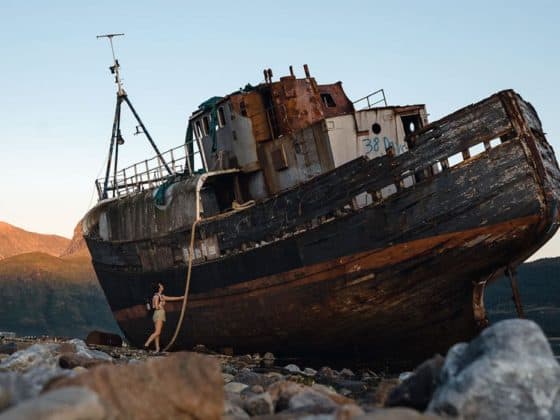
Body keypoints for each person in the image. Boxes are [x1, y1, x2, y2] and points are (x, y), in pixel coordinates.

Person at [144, 282, 184, 352]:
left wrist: (181, 297)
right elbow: (155, 306)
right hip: (159, 313)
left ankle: (157, 349)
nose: (162, 286)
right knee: (158, 332)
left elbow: (171, 298)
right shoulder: (157, 296)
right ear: (159, 288)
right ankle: (146, 344)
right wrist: (161, 304)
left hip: (158, 314)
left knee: (157, 332)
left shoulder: (161, 296)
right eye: (161, 286)